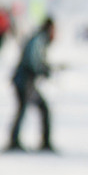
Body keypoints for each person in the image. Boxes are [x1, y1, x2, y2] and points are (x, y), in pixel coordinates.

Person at [6, 17, 56, 152]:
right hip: (24, 81)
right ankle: (42, 142)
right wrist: (44, 70)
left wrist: (46, 68)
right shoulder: (39, 39)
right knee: (40, 108)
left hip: (23, 80)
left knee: (24, 110)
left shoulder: (37, 38)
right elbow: (34, 61)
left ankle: (14, 140)